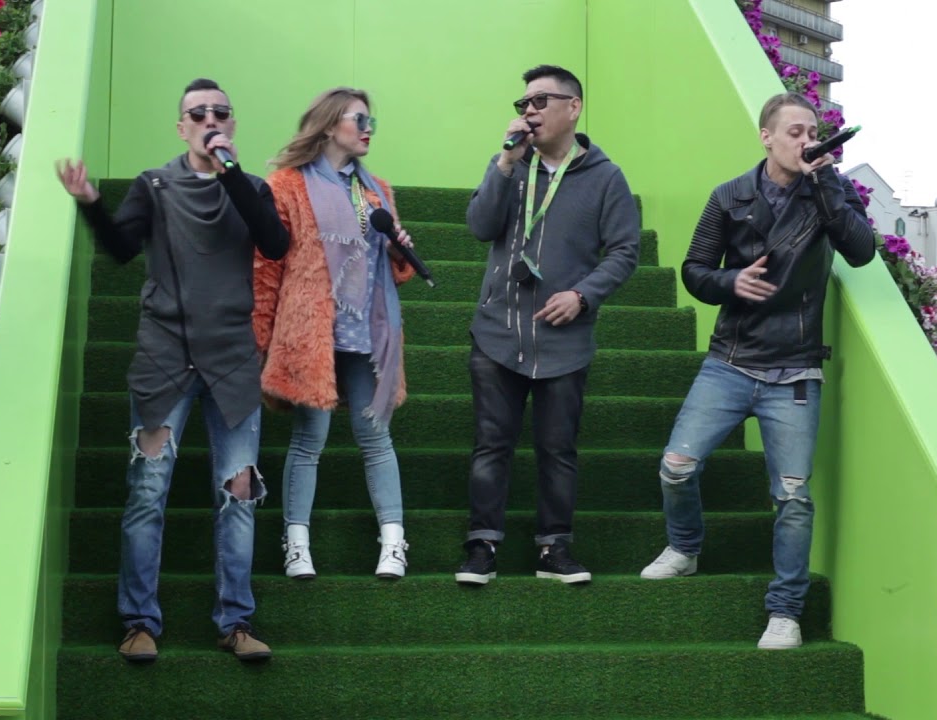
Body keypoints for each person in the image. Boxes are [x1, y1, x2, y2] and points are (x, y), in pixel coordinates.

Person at [56, 77, 287, 663]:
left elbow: (274, 243)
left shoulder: (250, 187)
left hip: (232, 359)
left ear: (231, 124)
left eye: (221, 112)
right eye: (198, 113)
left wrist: (230, 172)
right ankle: (139, 622)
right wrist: (89, 203)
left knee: (239, 492)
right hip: (165, 359)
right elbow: (120, 250)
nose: (210, 119)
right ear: (181, 127)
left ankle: (236, 622)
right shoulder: (154, 186)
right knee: (147, 488)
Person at [639, 92, 875, 650]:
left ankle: (786, 611)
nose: (806, 140)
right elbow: (695, 271)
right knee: (676, 467)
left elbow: (862, 250)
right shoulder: (730, 195)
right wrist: (732, 281)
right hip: (729, 361)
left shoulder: (831, 191)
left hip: (794, 371)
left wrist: (825, 183)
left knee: (792, 496)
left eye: (812, 132)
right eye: (795, 132)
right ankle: (685, 547)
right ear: (766, 137)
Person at [454, 65, 640, 586]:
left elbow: (625, 251)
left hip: (565, 340)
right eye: (524, 104)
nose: (529, 112)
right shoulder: (512, 166)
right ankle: (481, 546)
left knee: (558, 449)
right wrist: (504, 163)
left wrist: (583, 295)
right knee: (491, 444)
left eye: (540, 102)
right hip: (498, 332)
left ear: (573, 107)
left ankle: (554, 548)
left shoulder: (606, 177)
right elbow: (479, 226)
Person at [253, 87, 416, 581]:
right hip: (312, 331)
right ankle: (296, 544)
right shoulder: (286, 186)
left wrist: (400, 252)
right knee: (310, 439)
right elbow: (266, 268)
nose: (368, 129)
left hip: (368, 330)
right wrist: (263, 339)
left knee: (376, 436)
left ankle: (394, 543)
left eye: (371, 121)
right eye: (359, 119)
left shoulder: (377, 189)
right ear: (328, 125)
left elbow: (394, 270)